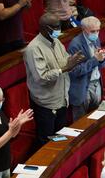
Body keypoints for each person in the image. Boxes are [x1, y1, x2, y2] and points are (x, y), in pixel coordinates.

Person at [24, 13, 85, 147]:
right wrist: (64, 68)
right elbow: (41, 78)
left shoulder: (56, 42)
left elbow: (64, 63)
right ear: (44, 28)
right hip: (46, 104)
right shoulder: (34, 49)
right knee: (45, 143)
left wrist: (72, 61)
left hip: (62, 99)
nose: (59, 29)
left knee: (59, 139)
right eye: (56, 27)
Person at [68, 16, 105, 121]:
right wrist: (95, 59)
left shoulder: (96, 39)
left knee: (96, 120)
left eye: (98, 30)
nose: (96, 34)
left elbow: (101, 65)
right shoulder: (75, 45)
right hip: (82, 87)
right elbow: (75, 71)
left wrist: (102, 59)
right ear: (84, 30)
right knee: (81, 123)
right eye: (93, 31)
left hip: (96, 84)